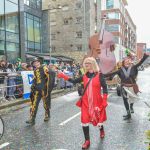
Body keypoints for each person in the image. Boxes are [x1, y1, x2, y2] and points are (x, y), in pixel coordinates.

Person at [57, 57, 108, 149]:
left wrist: (104, 100)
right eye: (85, 63)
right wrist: (63, 76)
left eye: (88, 63)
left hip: (97, 102)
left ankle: (101, 130)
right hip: (85, 102)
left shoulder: (100, 75)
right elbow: (73, 81)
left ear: (93, 63)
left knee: (98, 120)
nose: (86, 64)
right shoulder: (84, 76)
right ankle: (87, 141)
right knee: (84, 120)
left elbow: (105, 88)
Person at [105, 53, 149, 120]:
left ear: (130, 62)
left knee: (132, 99)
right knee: (125, 100)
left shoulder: (133, 67)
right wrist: (102, 75)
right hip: (124, 87)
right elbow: (111, 74)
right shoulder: (120, 70)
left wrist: (145, 56)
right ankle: (128, 114)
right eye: (126, 61)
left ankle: (131, 106)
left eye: (128, 61)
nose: (127, 62)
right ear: (123, 63)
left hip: (132, 86)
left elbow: (140, 63)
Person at [26, 58, 55, 125]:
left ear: (39, 62)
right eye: (34, 63)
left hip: (44, 90)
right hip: (37, 90)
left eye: (36, 62)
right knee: (34, 104)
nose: (35, 63)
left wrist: (48, 87)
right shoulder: (35, 70)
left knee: (45, 103)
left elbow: (49, 74)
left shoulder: (44, 67)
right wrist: (33, 85)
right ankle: (32, 119)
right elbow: (35, 79)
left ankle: (47, 115)